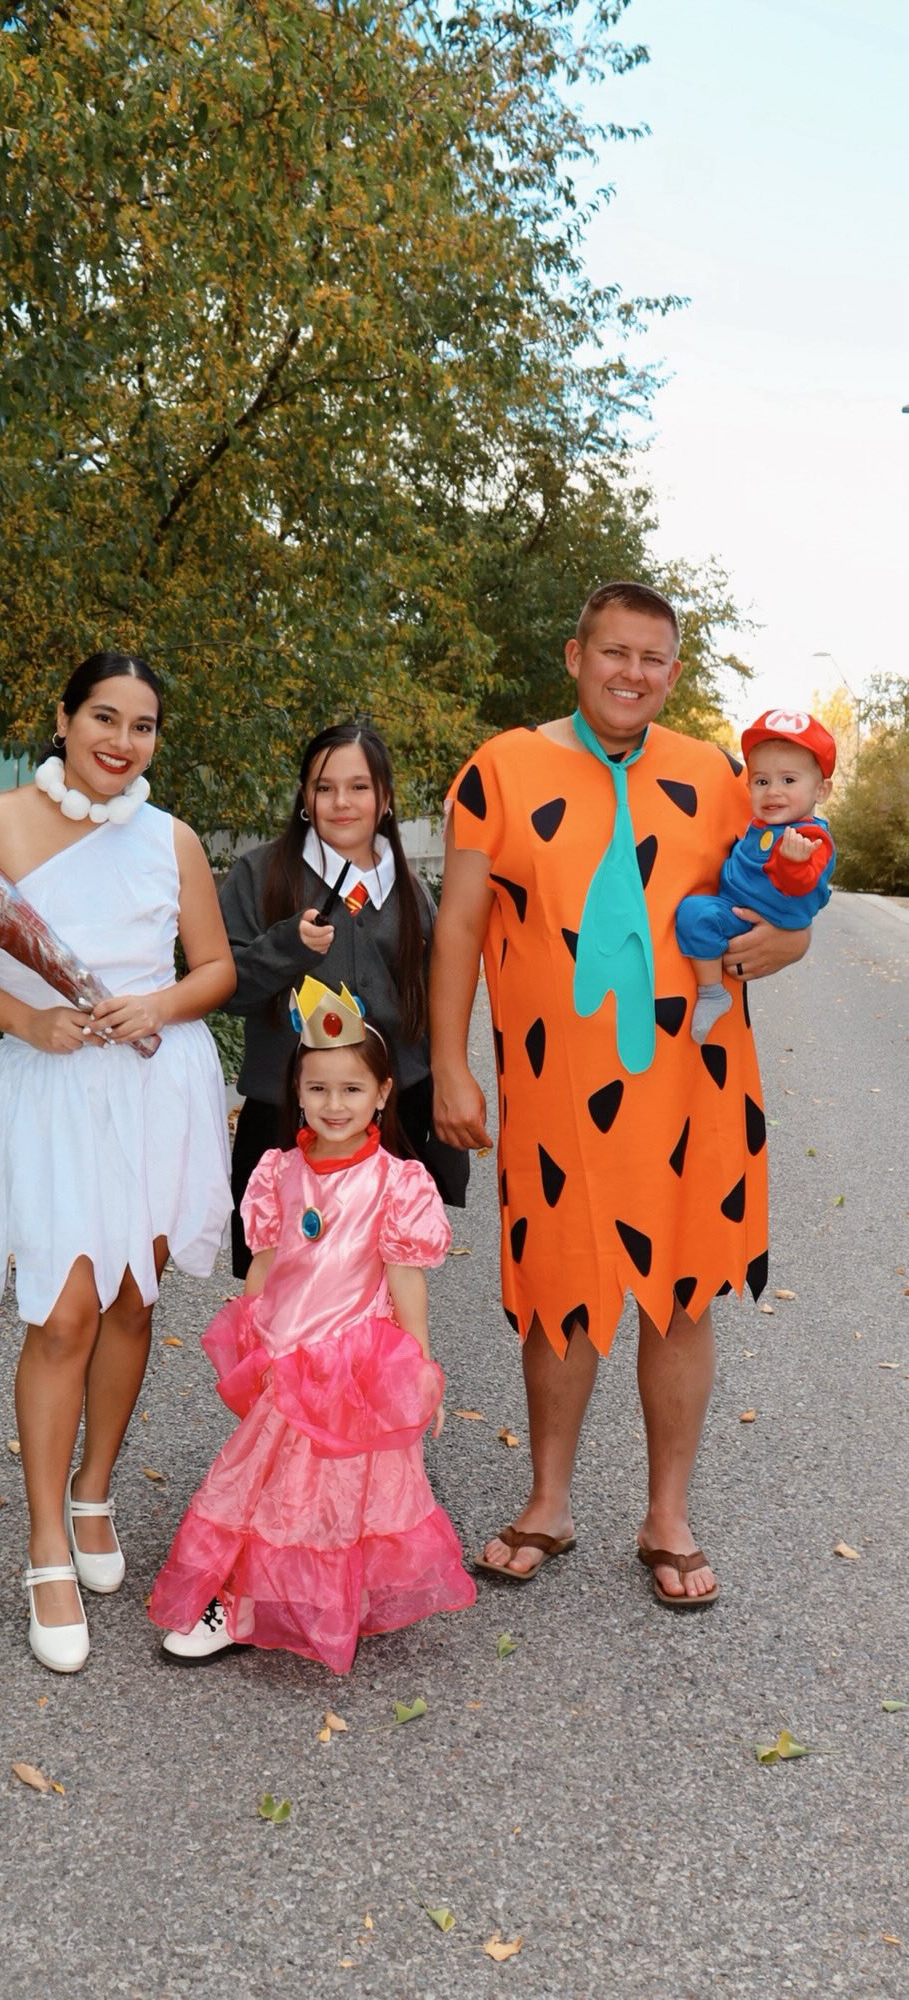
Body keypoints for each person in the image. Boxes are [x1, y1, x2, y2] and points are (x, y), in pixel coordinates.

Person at [430, 582, 810, 1609]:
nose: (631, 673)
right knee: (559, 1290)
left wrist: (770, 950)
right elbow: (459, 926)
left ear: (672, 673)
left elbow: (785, 911)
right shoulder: (500, 771)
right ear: (573, 653)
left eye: (652, 658)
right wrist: (452, 1062)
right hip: (555, 1085)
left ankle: (667, 1515)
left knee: (681, 1289)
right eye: (614, 652)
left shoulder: (718, 777)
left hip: (694, 1081)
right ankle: (547, 1500)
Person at [0, 652, 234, 1672]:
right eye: (105, 715)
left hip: (154, 1083)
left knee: (134, 1301)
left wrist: (161, 1001)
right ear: (63, 716)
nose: (122, 740)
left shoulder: (169, 837)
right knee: (66, 1311)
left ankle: (94, 1489)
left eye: (142, 725)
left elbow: (216, 966)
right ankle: (46, 1541)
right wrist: (30, 1018)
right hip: (54, 1085)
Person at [149, 976, 476, 1672]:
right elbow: (265, 1267)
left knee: (340, 1488)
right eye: (319, 1088)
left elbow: (404, 1279)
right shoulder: (276, 1173)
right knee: (264, 1486)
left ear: (383, 1095)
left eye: (352, 1090)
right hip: (285, 1354)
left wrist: (419, 1369)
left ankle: (323, 1592)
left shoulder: (398, 1183)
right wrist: (249, 1331)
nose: (335, 1105)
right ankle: (235, 1600)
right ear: (296, 1091)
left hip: (354, 1362)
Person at [219, 722, 468, 1278]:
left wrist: (443, 1130)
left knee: (376, 1285)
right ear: (305, 798)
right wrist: (285, 947)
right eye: (324, 787)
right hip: (285, 1119)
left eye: (359, 787)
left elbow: (432, 1009)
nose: (341, 802)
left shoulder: (411, 888)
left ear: (385, 799)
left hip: (389, 1119)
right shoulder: (259, 874)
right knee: (282, 1285)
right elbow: (224, 986)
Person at [676, 709, 835, 1042]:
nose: (773, 791)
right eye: (762, 781)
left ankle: (712, 993)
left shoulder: (809, 837)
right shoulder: (763, 824)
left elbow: (802, 884)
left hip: (760, 917)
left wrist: (794, 863)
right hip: (734, 903)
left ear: (821, 791)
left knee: (696, 915)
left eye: (789, 780)